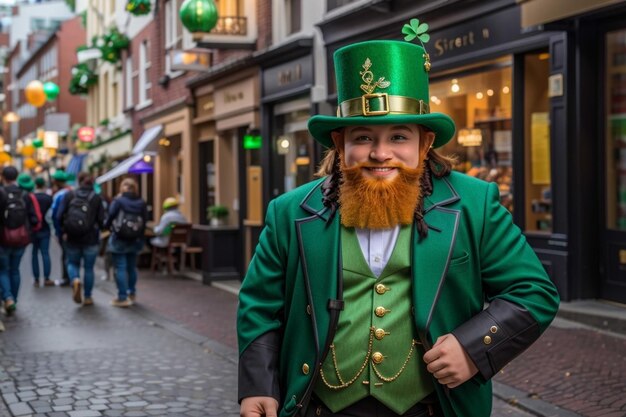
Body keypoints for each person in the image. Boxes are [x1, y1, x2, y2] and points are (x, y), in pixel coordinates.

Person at [237, 23, 560, 417]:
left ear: (425, 143)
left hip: (433, 407)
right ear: (340, 145)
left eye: (399, 137)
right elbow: (260, 305)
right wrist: (259, 383)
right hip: (320, 408)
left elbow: (533, 292)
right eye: (363, 137)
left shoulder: (475, 204)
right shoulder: (289, 212)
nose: (380, 153)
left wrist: (476, 347)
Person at [56, 172, 105, 306]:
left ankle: (75, 279)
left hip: (72, 237)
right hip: (90, 238)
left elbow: (59, 216)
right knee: (89, 268)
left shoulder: (70, 195)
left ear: (79, 181)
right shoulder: (96, 197)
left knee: (72, 263)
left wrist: (63, 232)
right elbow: (102, 220)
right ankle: (88, 296)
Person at [0, 167, 39, 316]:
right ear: (17, 176)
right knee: (15, 270)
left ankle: (7, 298)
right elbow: (34, 218)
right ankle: (14, 300)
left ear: (3, 176)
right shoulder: (25, 195)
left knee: (3, 269)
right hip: (21, 239)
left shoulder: (1, 193)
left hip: (3, 238)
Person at [104, 178, 147, 308]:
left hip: (119, 238)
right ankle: (132, 293)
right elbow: (145, 221)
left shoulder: (118, 201)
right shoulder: (141, 202)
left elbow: (110, 217)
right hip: (135, 238)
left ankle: (122, 297)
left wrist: (107, 227)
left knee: (120, 267)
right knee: (132, 267)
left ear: (122, 188)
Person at [50, 169, 72, 286]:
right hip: (75, 229)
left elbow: (54, 215)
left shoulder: (58, 195)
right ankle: (75, 276)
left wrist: (58, 232)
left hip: (63, 230)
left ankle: (68, 278)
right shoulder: (73, 191)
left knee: (66, 254)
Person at [31, 177, 54, 287]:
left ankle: (36, 279)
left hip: (33, 229)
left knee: (34, 253)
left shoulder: (31, 197)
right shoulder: (48, 198)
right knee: (45, 253)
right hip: (45, 229)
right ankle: (47, 278)